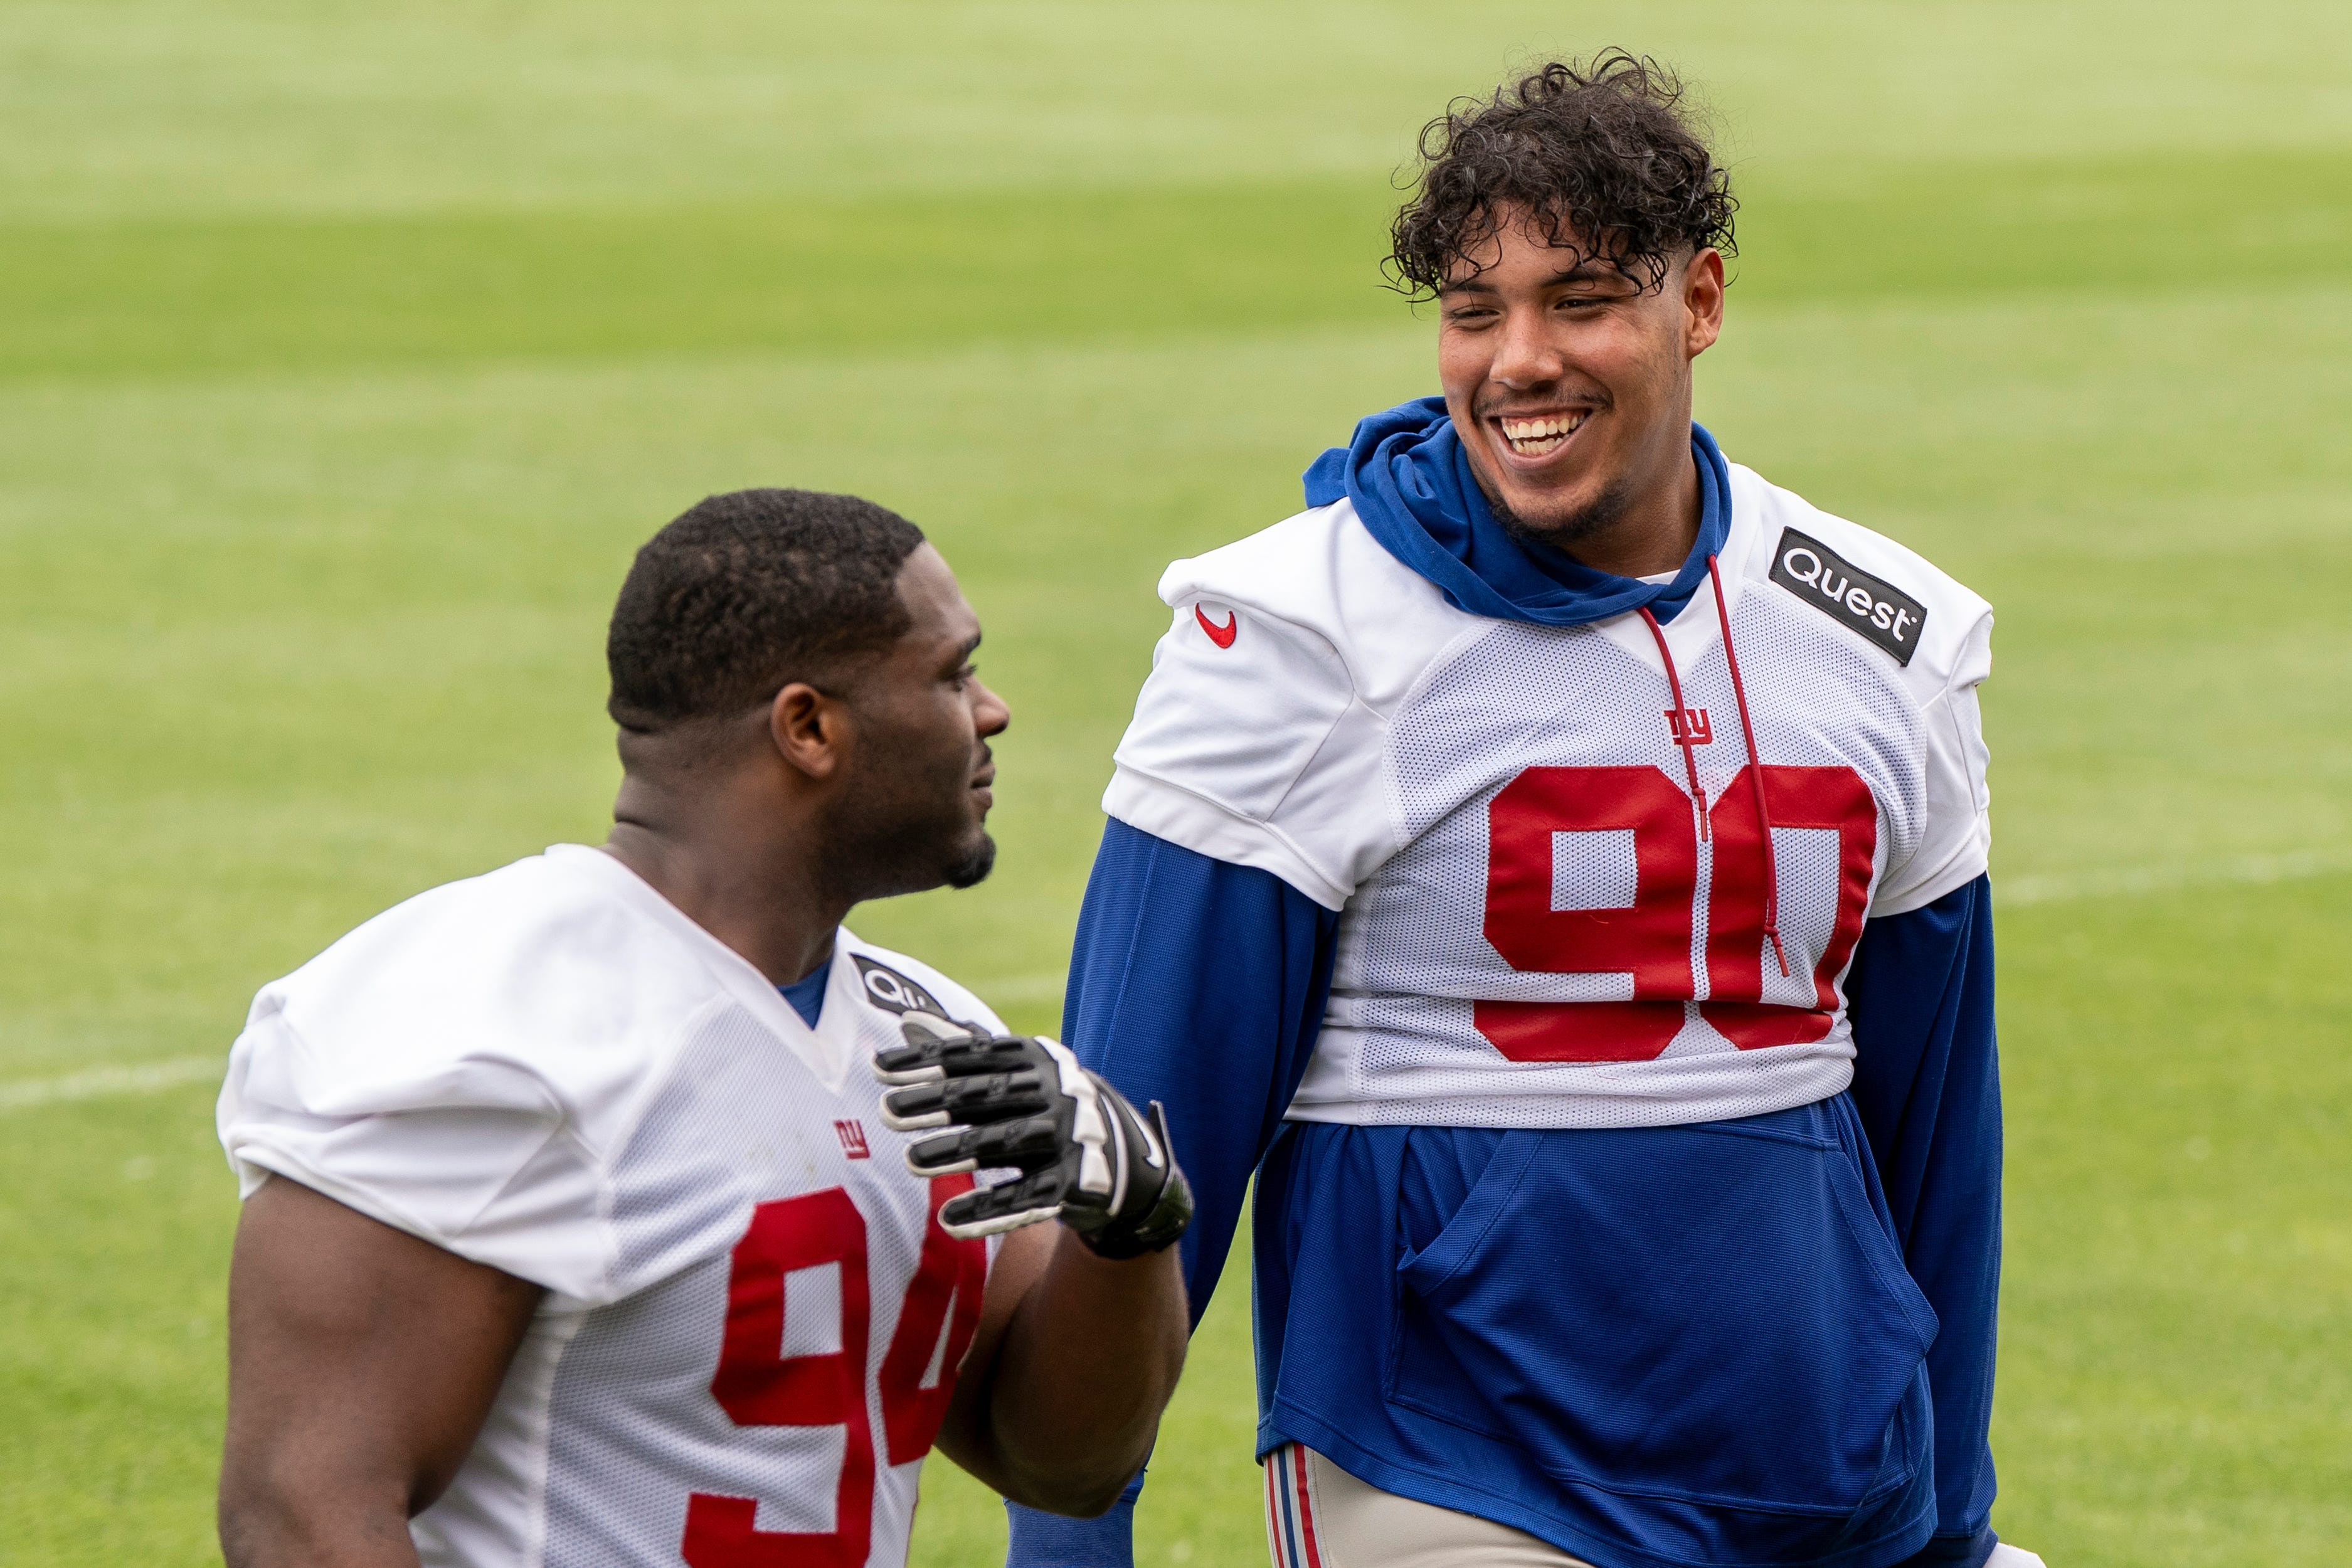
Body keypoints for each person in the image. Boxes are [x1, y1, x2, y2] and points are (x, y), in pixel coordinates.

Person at [1004, 56, 2042, 1568]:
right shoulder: (1295, 638)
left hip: (1823, 1466)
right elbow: (1143, 1138)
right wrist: (1071, 1545)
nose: (1518, 360)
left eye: (1582, 300)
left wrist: (1948, 1521)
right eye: (1475, 310)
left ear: (1702, 302)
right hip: (1452, 1465)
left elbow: (1937, 1128)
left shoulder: (1886, 635)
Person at [215, 488, 1194, 1568]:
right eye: (952, 673)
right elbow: (301, 1513)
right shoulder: (485, 1017)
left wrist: (1126, 1235)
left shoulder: (933, 1040)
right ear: (808, 727)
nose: (992, 709)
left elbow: (1062, 1465)